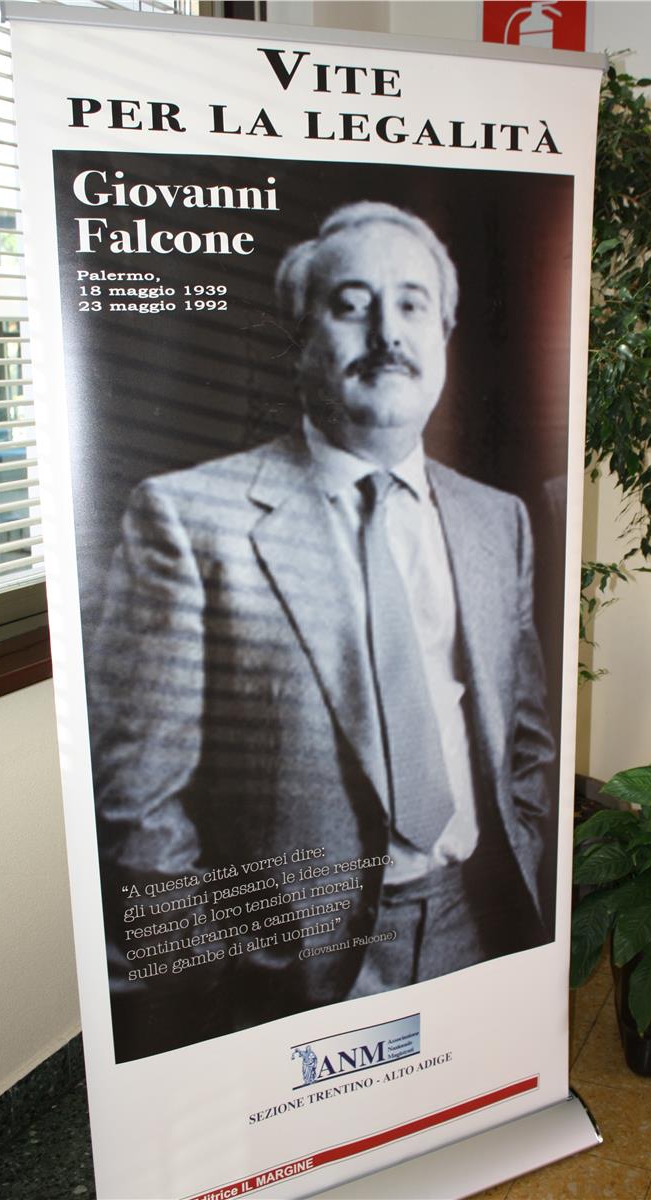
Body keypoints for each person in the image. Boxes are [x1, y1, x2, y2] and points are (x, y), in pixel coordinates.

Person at [89, 201, 556, 1061]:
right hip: (282, 973)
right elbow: (139, 799)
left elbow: (526, 738)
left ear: (445, 334)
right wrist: (219, 968)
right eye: (351, 304)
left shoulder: (499, 521)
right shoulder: (189, 519)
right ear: (300, 337)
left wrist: (519, 864)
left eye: (412, 304)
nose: (388, 333)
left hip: (479, 921)